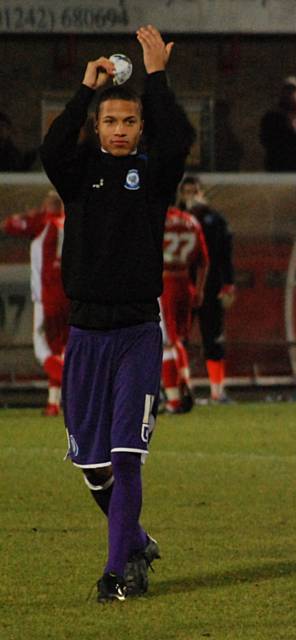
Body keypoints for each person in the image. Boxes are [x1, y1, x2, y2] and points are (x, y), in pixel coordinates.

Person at [40, 25, 195, 603]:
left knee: (127, 454)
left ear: (139, 126)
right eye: (111, 122)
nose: (121, 130)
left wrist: (156, 77)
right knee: (92, 466)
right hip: (86, 335)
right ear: (98, 127)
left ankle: (116, 571)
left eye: (129, 122)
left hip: (135, 333)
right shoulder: (79, 173)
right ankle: (136, 539)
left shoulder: (152, 176)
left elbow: (180, 138)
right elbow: (52, 148)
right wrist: (86, 90)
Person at [1, 190, 69, 416]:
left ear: (48, 205)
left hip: (46, 295)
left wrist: (29, 214)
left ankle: (78, 385)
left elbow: (9, 225)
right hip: (69, 296)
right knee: (61, 349)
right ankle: (53, 403)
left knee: (42, 349)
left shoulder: (42, 222)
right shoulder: (70, 223)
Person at [177, 176, 235, 403]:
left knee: (213, 338)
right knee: (178, 339)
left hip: (209, 286)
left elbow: (225, 255)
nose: (190, 196)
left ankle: (217, 391)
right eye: (187, 191)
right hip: (180, 285)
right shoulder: (173, 218)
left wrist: (228, 283)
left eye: (194, 191)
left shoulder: (214, 220)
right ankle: (182, 389)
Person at [160, 205, 209, 414]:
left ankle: (174, 398)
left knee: (167, 342)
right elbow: (204, 261)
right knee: (177, 339)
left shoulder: (156, 217)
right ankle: (184, 383)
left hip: (164, 283)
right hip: (184, 283)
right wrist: (199, 290)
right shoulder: (191, 221)